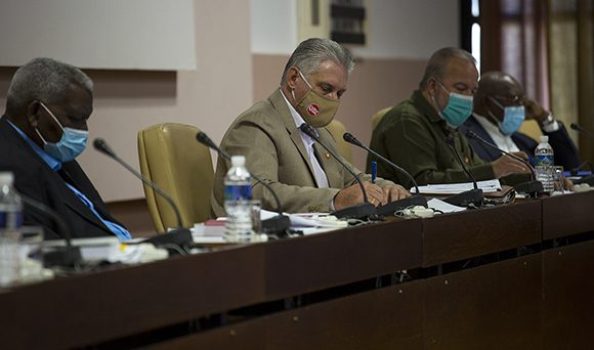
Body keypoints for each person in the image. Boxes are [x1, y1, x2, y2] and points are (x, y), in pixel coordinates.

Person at [211, 38, 409, 216]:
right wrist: (334, 200)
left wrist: (387, 188)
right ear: (293, 79)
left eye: (339, 94)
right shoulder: (257, 125)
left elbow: (351, 179)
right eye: (326, 89)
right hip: (272, 247)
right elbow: (256, 191)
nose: (333, 99)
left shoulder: (318, 130)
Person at [0, 58, 130, 240]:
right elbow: (42, 247)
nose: (83, 130)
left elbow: (99, 223)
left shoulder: (52, 151)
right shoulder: (7, 163)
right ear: (35, 113)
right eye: (75, 118)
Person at [367, 47, 531, 189]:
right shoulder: (406, 120)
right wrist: (493, 170)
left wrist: (526, 174)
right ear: (432, 87)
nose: (468, 97)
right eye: (461, 88)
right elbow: (422, 183)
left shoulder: (448, 121)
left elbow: (474, 171)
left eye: (473, 91)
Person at [460, 71, 581, 170]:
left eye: (522, 100)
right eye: (514, 98)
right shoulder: (463, 136)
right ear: (487, 102)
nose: (522, 105)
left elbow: (571, 165)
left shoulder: (522, 140)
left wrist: (544, 119)